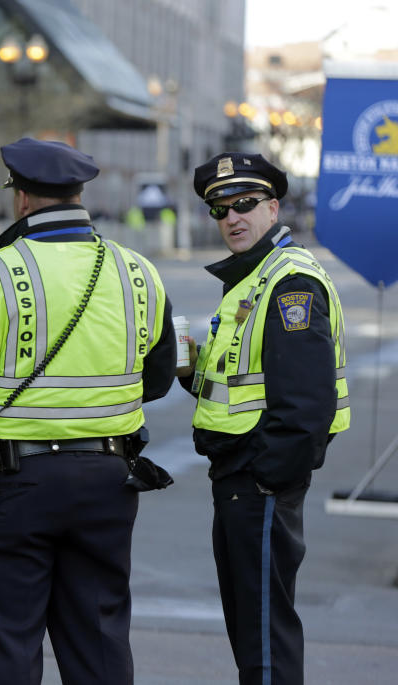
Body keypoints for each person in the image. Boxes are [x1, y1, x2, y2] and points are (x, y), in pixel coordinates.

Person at [0, 137, 177, 685]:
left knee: (6, 642)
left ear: (22, 198)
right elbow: (155, 381)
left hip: (15, 487)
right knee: (101, 642)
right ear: (80, 192)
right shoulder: (139, 273)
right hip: (110, 481)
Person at [181, 152, 349, 685]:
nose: (231, 217)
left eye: (245, 204)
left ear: (273, 207)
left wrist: (268, 476)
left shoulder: (288, 283)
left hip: (259, 479)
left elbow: (306, 404)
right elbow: (236, 381)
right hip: (240, 475)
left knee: (264, 635)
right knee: (250, 629)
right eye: (219, 210)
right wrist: (189, 364)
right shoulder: (250, 279)